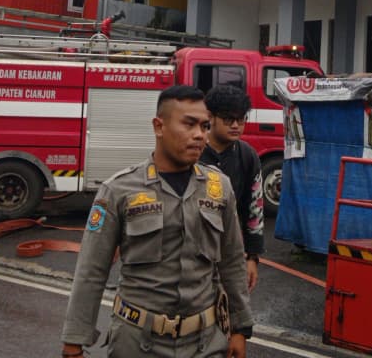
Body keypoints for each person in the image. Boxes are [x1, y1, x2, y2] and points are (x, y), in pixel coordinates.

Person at [61, 85, 253, 358]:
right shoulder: (119, 190)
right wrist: (73, 343)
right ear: (159, 127)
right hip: (137, 343)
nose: (199, 135)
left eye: (204, 126)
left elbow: (232, 261)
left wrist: (239, 328)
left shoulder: (219, 187)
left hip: (206, 343)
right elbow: (91, 271)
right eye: (188, 124)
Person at [200, 85, 265, 292]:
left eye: (241, 119)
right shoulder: (193, 151)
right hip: (194, 252)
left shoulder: (248, 155)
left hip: (232, 252)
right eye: (228, 119)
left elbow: (255, 208)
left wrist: (252, 257)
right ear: (210, 117)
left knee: (234, 312)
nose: (236, 125)